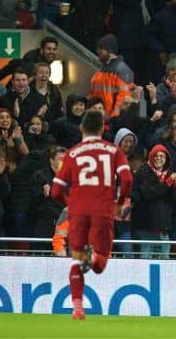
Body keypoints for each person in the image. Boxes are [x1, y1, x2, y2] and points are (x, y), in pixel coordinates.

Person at [51, 110, 133, 320]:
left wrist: (72, 205)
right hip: (103, 211)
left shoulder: (71, 153)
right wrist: (119, 203)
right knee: (100, 264)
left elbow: (56, 192)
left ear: (81, 128)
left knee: (76, 261)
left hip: (78, 213)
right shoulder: (113, 151)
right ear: (102, 129)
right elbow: (127, 180)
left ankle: (77, 308)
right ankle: (94, 256)